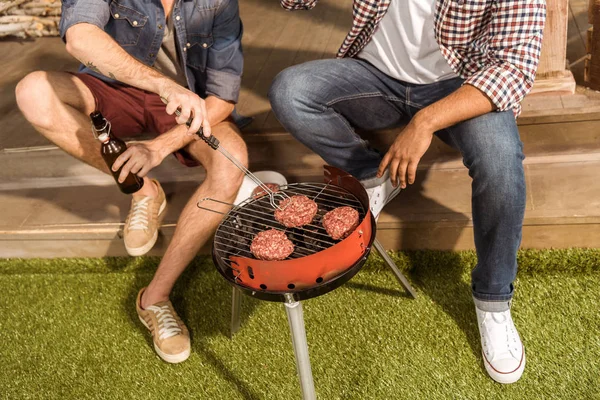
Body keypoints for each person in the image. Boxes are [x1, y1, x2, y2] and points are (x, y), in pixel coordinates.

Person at [269, 0, 546, 384]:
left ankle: (494, 300)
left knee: (501, 162)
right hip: (375, 77)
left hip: (462, 86)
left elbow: (512, 70)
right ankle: (372, 175)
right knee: (290, 90)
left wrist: (425, 121)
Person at [15, 0, 247, 364]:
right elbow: (80, 37)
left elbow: (223, 96)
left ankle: (153, 298)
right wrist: (161, 84)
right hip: (112, 90)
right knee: (32, 92)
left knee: (233, 162)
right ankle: (144, 191)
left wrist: (159, 148)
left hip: (183, 106)